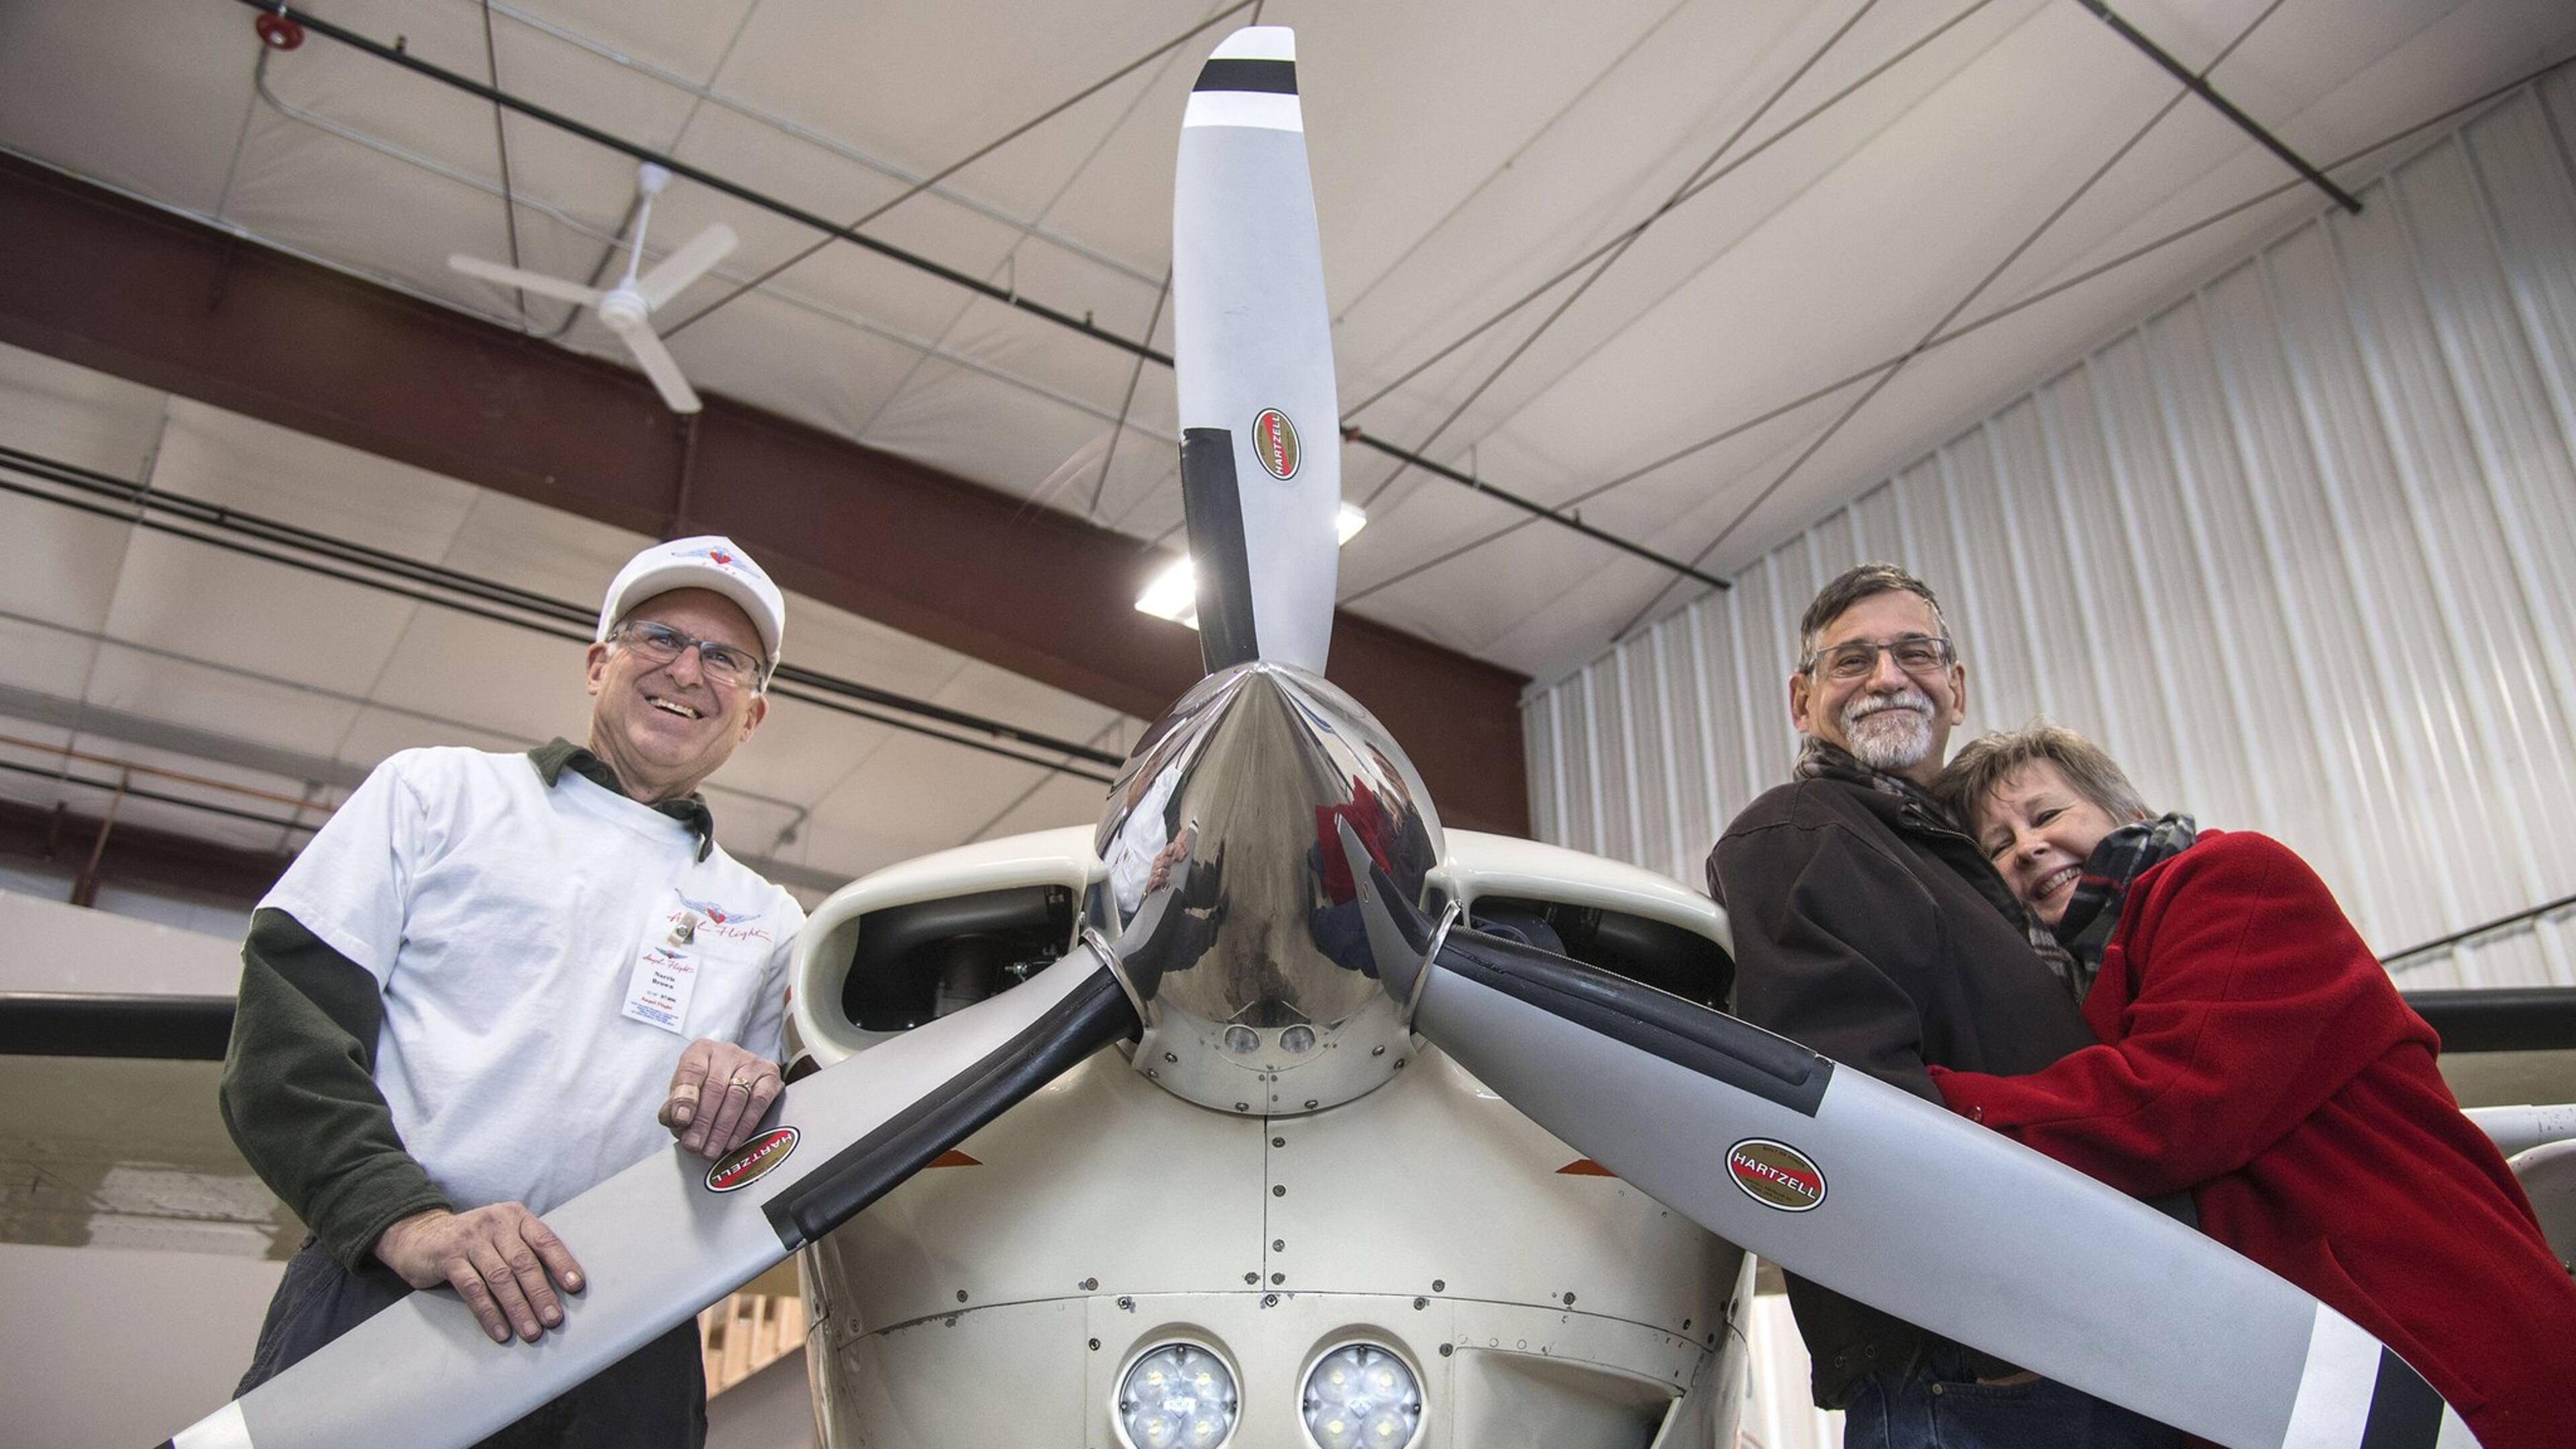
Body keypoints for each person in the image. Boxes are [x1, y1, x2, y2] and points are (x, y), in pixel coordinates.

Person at [220, 535, 807, 1448]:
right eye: (658, 637)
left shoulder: (771, 922)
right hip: (393, 1290)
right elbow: (282, 1036)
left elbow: (790, 1155)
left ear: (753, 714)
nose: (688, 671)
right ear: (597, 663)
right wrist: (403, 1220)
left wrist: (752, 1094)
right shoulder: (435, 793)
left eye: (726, 657)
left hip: (631, 1341)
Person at [1929, 722, 2576, 1449]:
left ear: (2126, 812)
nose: (2026, 847)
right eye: (1997, 845)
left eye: (2045, 815)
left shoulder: (2230, 879)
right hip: (2322, 1388)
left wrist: (1924, 1104)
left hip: (2444, 1352)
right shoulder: (2082, 1000)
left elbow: (2172, 1102)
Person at [1706, 564, 2174, 1446]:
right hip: (1981, 1372)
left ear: (1955, 689)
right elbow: (1841, 1100)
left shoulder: (1959, 864)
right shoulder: (1802, 833)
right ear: (1803, 701)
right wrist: (1999, 1327)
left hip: (2089, 1353)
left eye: (1914, 653)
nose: (1887, 676)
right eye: (1851, 663)